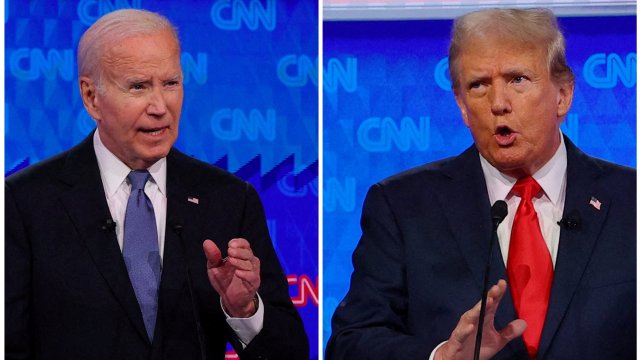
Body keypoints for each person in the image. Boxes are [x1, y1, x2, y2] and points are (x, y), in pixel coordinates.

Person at [326, 8, 635, 360]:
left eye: (518, 79)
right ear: (461, 105)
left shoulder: (631, 200)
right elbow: (350, 343)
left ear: (563, 94)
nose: (498, 104)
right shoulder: (402, 206)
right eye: (478, 85)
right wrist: (441, 357)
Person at [5, 9, 308, 360]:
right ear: (91, 97)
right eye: (138, 86)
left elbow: (290, 351)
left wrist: (244, 310)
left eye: (170, 83)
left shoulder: (228, 200)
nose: (160, 106)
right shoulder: (24, 202)